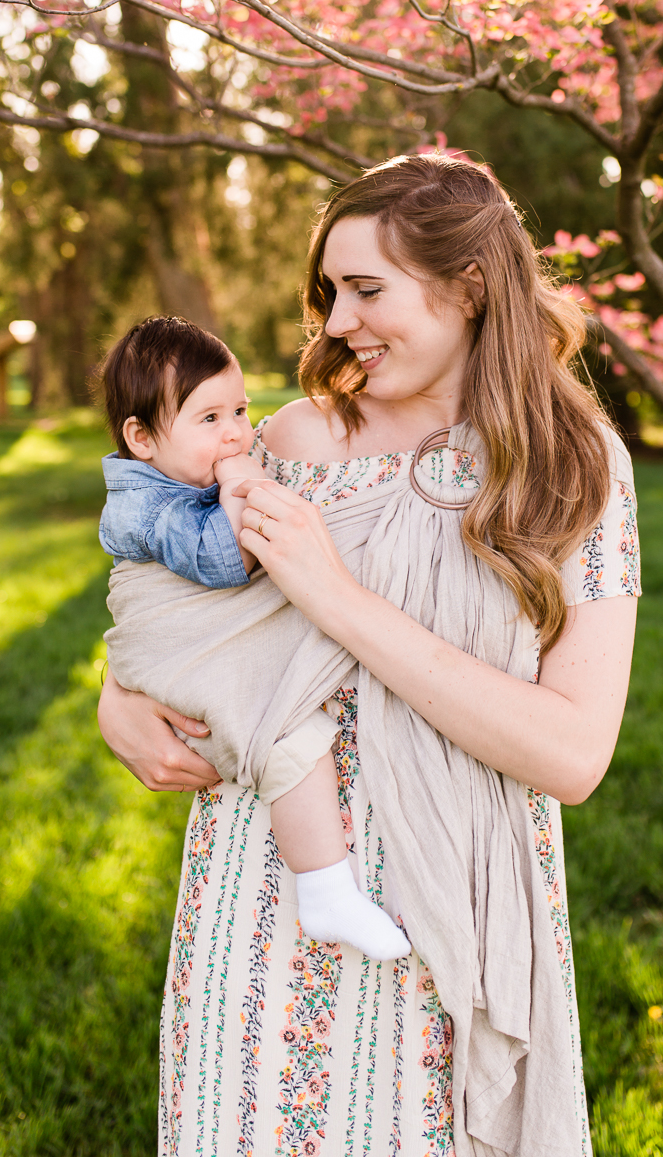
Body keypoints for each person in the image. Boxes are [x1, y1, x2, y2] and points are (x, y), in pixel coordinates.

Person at [98, 154, 640, 1157]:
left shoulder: (574, 468)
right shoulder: (298, 436)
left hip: (454, 907)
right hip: (267, 891)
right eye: (329, 291)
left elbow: (572, 755)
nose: (334, 321)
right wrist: (111, 693)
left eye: (365, 289)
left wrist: (336, 596)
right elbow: (181, 586)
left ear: (468, 287)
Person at [97, 315, 410, 960]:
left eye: (239, 409)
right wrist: (246, 488)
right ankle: (325, 887)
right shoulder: (138, 502)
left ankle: (326, 886)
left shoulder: (188, 474)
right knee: (287, 736)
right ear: (142, 437)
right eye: (208, 418)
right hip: (168, 646)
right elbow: (220, 561)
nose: (238, 432)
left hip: (185, 641)